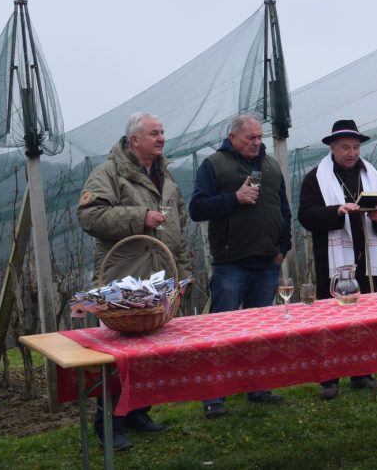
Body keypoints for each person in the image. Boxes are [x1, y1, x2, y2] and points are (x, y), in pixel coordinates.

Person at [77, 112, 194, 451]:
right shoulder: (108, 173)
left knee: (151, 353)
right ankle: (108, 425)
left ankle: (138, 413)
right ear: (134, 140)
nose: (161, 138)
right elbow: (89, 215)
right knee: (118, 358)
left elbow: (179, 224)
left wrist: (182, 273)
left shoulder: (165, 176)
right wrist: (139, 217)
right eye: (154, 133)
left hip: (160, 280)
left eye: (162, 132)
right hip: (124, 281)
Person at [190, 114, 292, 418]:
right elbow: (197, 208)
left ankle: (257, 388)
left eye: (260, 137)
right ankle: (214, 397)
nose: (257, 142)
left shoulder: (271, 166)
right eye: (251, 138)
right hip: (231, 264)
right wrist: (234, 198)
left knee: (259, 330)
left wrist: (282, 249)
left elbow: (283, 210)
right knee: (221, 330)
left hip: (267, 263)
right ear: (232, 138)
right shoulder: (214, 165)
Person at [298, 119, 377, 400]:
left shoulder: (372, 175)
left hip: (366, 258)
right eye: (345, 147)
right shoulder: (315, 178)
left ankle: (362, 373)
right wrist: (336, 212)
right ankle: (329, 379)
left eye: (355, 147)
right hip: (332, 261)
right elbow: (305, 215)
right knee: (331, 319)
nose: (352, 153)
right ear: (333, 147)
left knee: (363, 318)